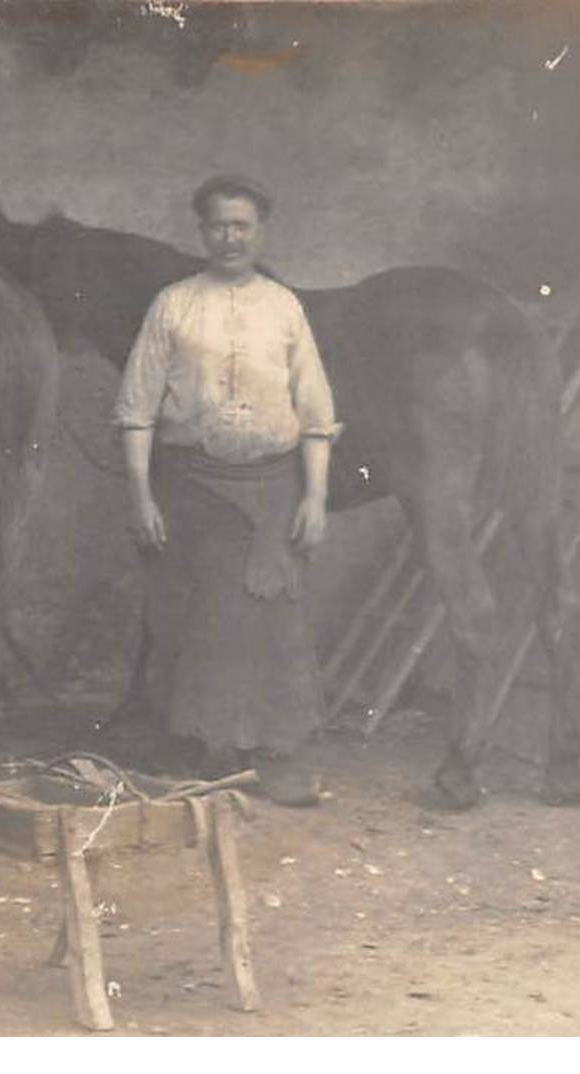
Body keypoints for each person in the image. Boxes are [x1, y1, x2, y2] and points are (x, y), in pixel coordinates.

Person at [114, 175, 339, 807]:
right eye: (218, 225)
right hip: (192, 490)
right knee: (198, 622)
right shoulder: (173, 305)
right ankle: (196, 759)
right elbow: (136, 409)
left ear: (260, 231)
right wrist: (141, 496)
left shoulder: (284, 307)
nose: (230, 237)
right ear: (202, 230)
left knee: (273, 627)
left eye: (242, 226)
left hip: (272, 488)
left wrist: (315, 498)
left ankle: (275, 763)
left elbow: (316, 414)